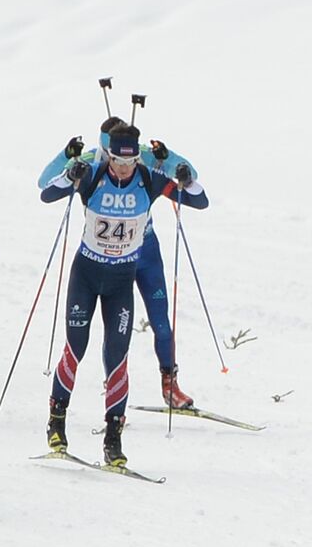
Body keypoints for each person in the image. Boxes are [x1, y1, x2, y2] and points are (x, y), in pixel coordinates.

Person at [39, 123, 208, 464]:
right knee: (76, 347)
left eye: (130, 162)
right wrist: (70, 173)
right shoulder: (92, 175)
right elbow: (47, 193)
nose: (123, 168)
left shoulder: (148, 179)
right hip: (86, 275)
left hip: (120, 281)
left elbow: (199, 200)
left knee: (117, 356)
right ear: (109, 154)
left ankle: (113, 438)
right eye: (117, 160)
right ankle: (57, 422)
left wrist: (186, 178)